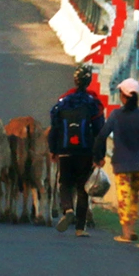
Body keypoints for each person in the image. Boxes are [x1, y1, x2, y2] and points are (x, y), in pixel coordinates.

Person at [47, 63, 106, 237]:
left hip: (65, 150)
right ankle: (80, 228)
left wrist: (53, 149)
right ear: (89, 82)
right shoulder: (93, 103)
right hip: (85, 151)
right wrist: (99, 155)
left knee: (65, 183)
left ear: (75, 80)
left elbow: (55, 127)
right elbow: (99, 131)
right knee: (82, 188)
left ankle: (67, 209)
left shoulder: (63, 100)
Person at [104, 77, 139, 243]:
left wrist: (98, 156)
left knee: (124, 198)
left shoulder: (116, 115)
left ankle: (126, 232)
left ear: (123, 96)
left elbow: (102, 135)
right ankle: (132, 229)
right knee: (134, 197)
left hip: (121, 163)